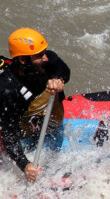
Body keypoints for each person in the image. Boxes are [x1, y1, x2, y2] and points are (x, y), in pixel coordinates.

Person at [0, 28, 70, 182]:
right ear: (23, 60)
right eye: (39, 55)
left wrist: (59, 79)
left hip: (50, 127)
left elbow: (63, 69)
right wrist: (25, 165)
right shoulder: (8, 90)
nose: (45, 57)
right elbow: (9, 136)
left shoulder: (44, 60)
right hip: (24, 138)